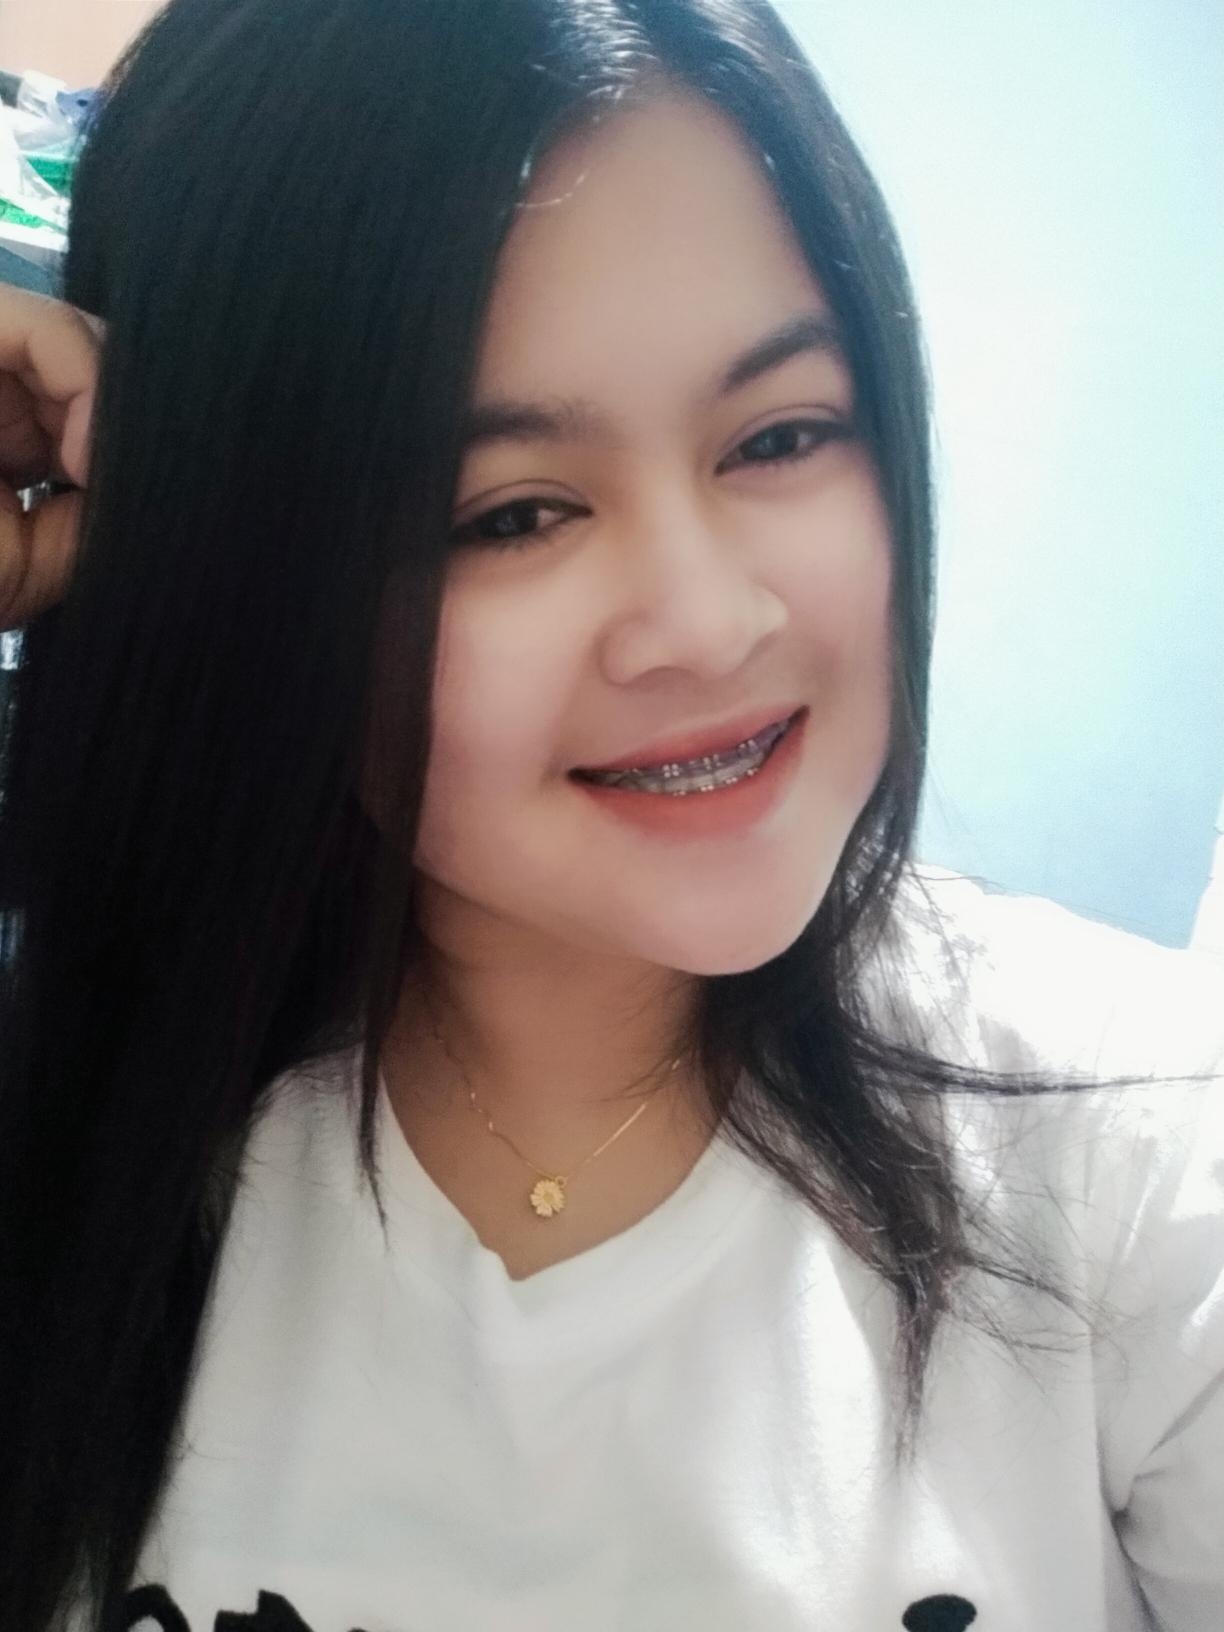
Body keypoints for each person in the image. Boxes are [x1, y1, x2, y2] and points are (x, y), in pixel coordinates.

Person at [0, 1, 1219, 1628]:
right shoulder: (76, 1145)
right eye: (511, 515)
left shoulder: (1138, 1137)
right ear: (247, 559)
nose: (710, 624)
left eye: (781, 436)